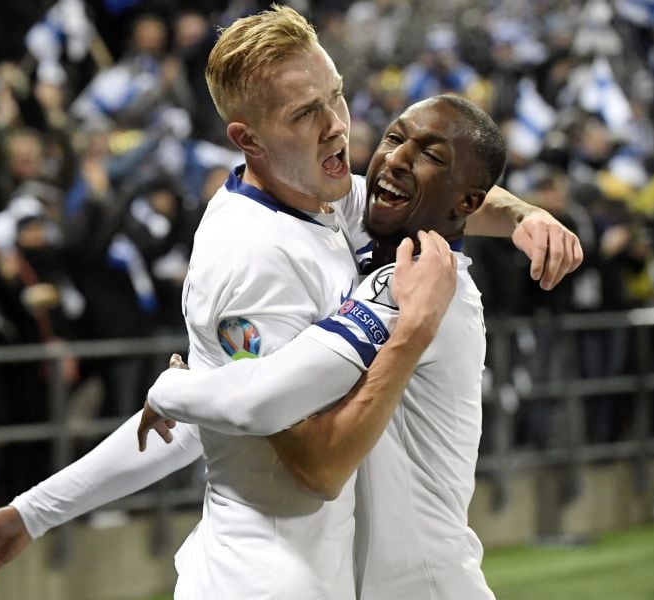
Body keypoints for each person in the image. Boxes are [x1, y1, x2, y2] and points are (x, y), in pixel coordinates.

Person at [0, 6, 582, 597]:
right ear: (248, 140)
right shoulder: (257, 259)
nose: (337, 124)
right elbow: (309, 457)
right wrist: (406, 334)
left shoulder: (331, 201)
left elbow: (213, 413)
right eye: (305, 112)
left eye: (336, 94)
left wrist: (527, 215)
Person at [142, 94, 505, 599]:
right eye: (394, 138)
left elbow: (314, 455)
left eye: (431, 155)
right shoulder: (367, 251)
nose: (396, 158)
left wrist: (180, 388)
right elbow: (256, 400)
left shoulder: (423, 289)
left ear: (467, 203)